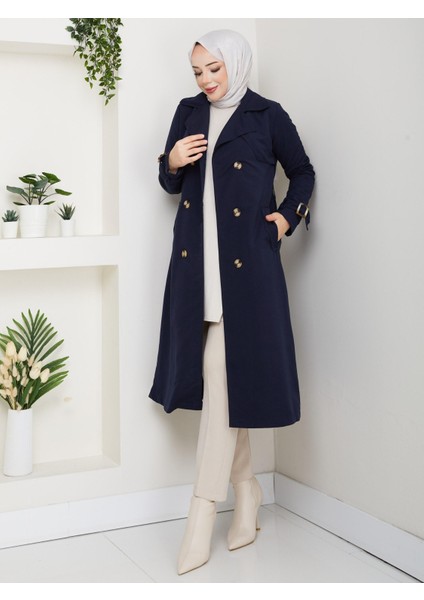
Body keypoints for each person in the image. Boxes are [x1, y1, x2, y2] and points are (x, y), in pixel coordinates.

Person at [149, 29, 315, 575]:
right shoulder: (188, 112)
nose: (206, 80)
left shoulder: (267, 115)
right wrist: (172, 161)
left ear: (236, 64)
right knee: (222, 383)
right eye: (198, 71)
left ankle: (201, 513)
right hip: (197, 269)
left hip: (246, 272)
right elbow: (170, 185)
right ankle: (247, 491)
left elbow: (303, 172)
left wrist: (285, 218)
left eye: (214, 69)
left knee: (222, 379)